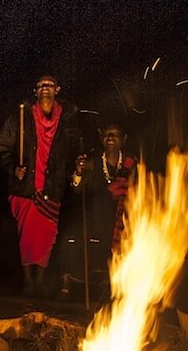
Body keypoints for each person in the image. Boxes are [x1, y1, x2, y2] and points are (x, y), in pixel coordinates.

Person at [0, 75, 80, 296]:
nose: (45, 88)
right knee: (26, 237)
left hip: (52, 188)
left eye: (49, 85)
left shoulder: (67, 120)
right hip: (26, 188)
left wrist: (78, 168)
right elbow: (1, 146)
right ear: (35, 91)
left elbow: (74, 151)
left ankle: (39, 281)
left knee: (47, 236)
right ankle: (27, 281)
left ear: (57, 89)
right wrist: (13, 167)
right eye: (41, 85)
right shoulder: (21, 117)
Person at [57, 122, 136, 300]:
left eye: (115, 134)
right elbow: (77, 188)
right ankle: (71, 284)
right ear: (102, 139)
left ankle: (117, 287)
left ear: (123, 139)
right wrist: (78, 171)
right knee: (71, 239)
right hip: (96, 216)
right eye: (107, 134)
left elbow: (140, 187)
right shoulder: (92, 162)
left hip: (122, 216)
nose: (110, 138)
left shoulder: (132, 162)